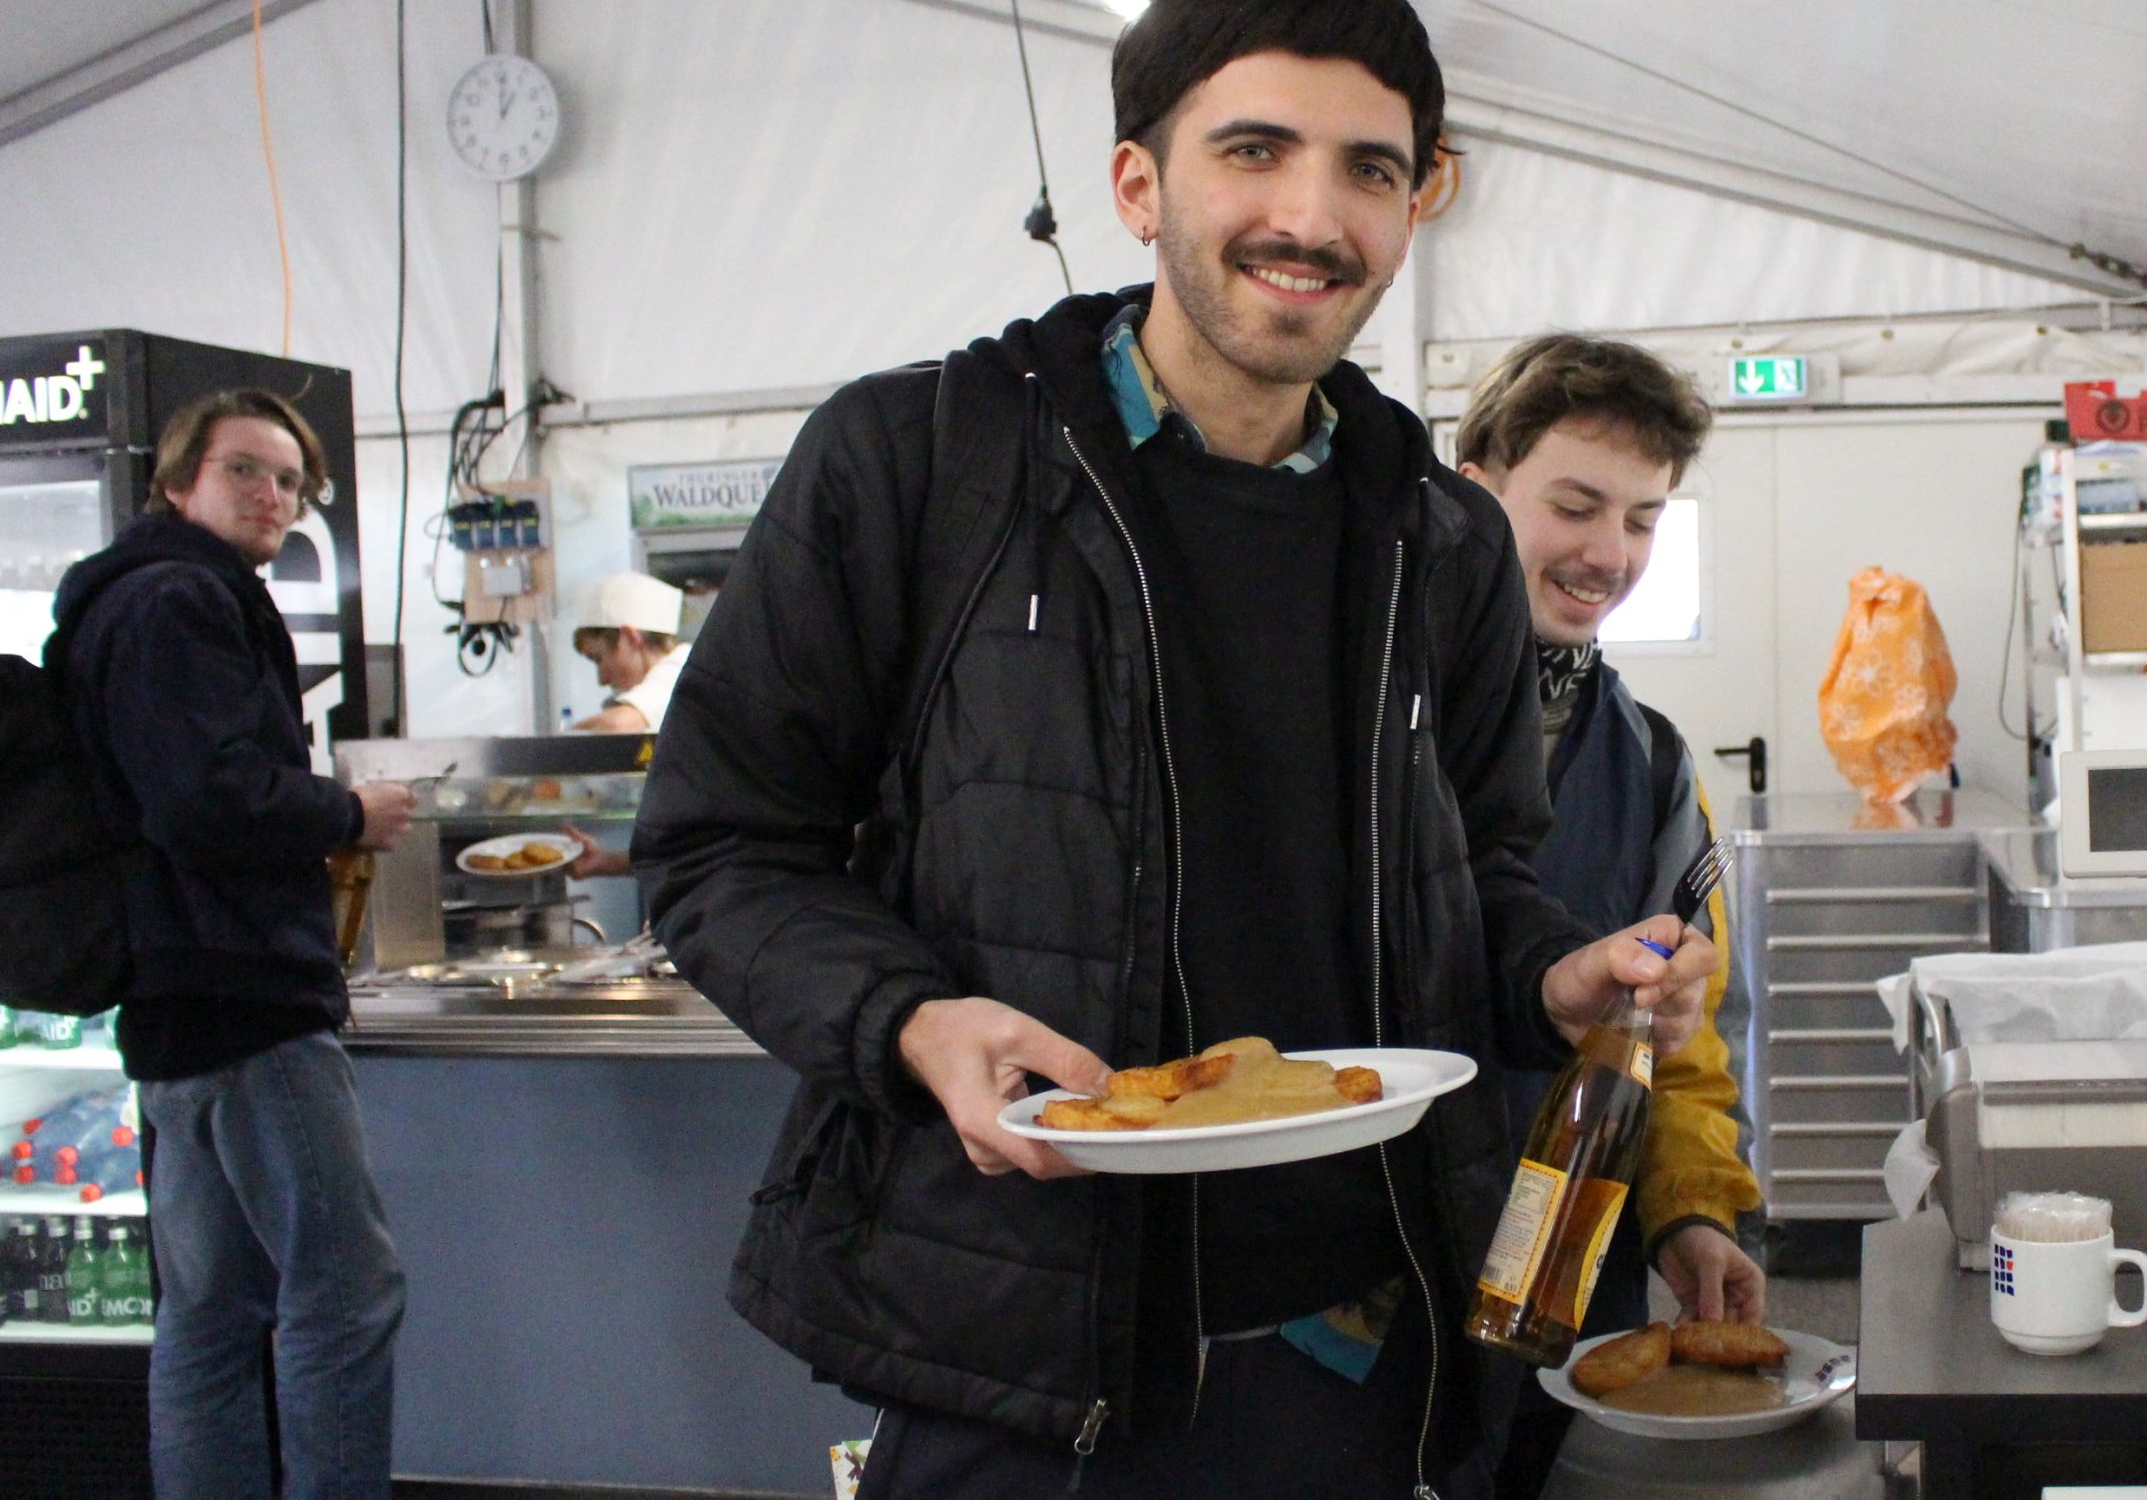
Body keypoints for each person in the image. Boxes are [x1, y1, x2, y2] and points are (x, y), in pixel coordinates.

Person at [629, 4, 1719, 1498]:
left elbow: (1486, 862)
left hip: (1361, 1337)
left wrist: (1556, 976)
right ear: (1140, 186)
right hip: (1022, 1341)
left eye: (1370, 170)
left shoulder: (1439, 536)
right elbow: (717, 848)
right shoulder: (918, 465)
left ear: (1423, 200)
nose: (1312, 217)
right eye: (1254, 151)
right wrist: (912, 1021)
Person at [53, 389, 415, 1500]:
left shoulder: (136, 599)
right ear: (176, 484)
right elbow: (205, 799)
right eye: (245, 472)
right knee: (345, 1296)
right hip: (246, 996)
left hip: (174, 1005)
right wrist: (348, 815)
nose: (273, 497)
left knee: (210, 1315)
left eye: (291, 482)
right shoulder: (180, 601)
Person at [1456, 335, 1768, 1497]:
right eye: (1577, 507)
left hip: (1569, 1274)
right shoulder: (1361, 723)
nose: (1608, 554)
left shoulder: (1650, 765)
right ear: (1476, 487)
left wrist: (1689, 1213)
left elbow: (1678, 1044)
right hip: (1354, 1287)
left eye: (1642, 520)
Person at [566, 571, 691, 733]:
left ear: (631, 638)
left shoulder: (678, 672)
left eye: (599, 659)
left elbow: (617, 725)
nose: (602, 680)